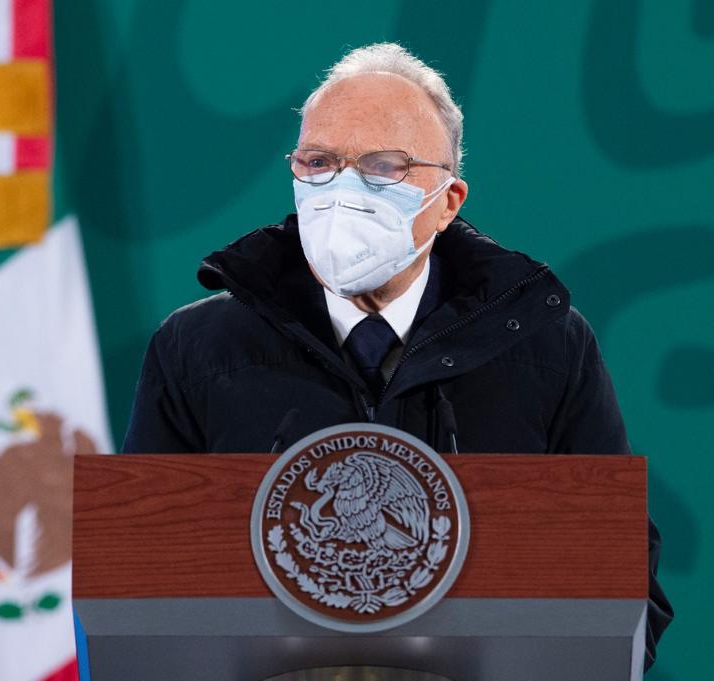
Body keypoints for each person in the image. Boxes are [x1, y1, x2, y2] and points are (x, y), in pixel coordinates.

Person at [122, 42, 672, 669]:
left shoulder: (546, 345)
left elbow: (622, 584)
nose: (342, 190)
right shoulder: (198, 347)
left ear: (448, 201)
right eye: (318, 162)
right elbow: (140, 579)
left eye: (383, 166)